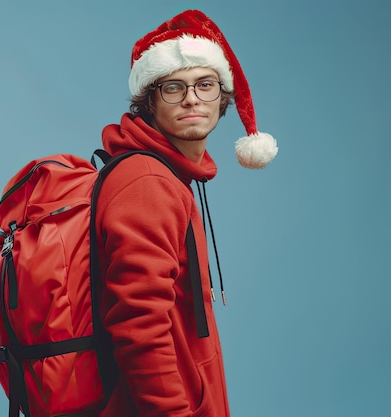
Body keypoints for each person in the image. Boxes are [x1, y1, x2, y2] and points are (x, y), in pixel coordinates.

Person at [95, 10, 278, 417]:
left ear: (223, 96)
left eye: (205, 85)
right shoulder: (148, 182)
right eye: (173, 87)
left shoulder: (168, 177)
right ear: (149, 100)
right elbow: (138, 324)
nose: (192, 98)